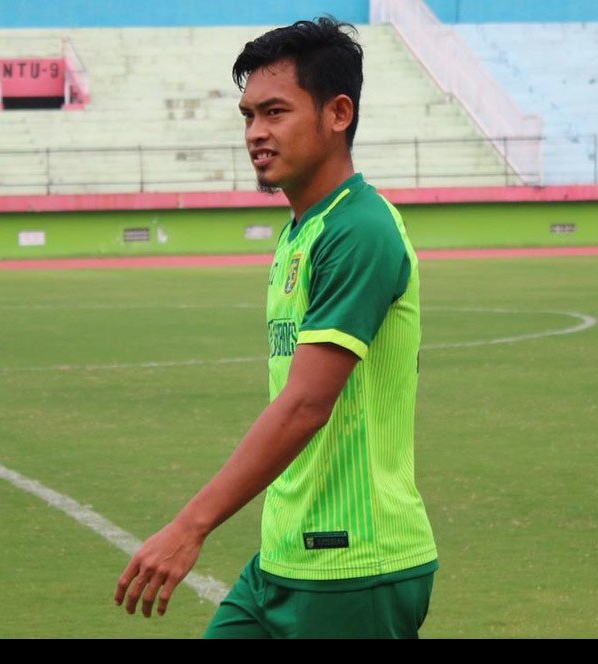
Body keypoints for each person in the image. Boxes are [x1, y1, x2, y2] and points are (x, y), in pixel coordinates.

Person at [114, 16, 438, 639]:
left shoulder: (359, 231)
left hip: (354, 565)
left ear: (338, 113)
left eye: (275, 112)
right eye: (248, 116)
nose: (256, 133)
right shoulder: (303, 231)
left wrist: (190, 526)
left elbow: (305, 405)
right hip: (284, 558)